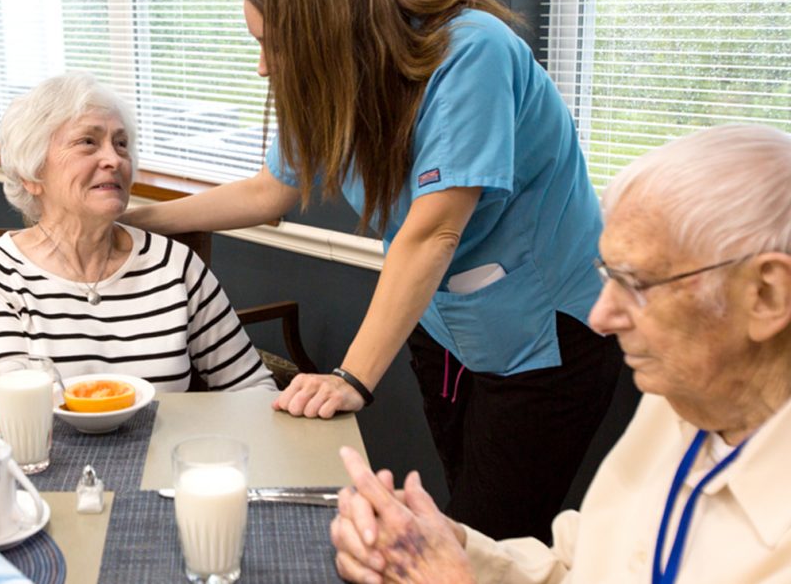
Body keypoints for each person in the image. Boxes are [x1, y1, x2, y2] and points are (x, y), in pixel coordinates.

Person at [121, 0, 623, 540]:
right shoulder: (336, 85)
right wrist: (129, 217)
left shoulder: (471, 55)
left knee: (496, 535)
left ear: (328, 34)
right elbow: (268, 191)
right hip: (443, 330)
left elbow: (433, 233)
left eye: (273, 45)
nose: (262, 67)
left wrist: (350, 377)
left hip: (544, 335)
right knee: (461, 519)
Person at [330, 124, 791, 583]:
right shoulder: (678, 404)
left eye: (636, 284)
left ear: (766, 295)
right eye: (608, 275)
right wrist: (455, 549)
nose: (600, 317)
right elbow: (578, 567)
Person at [0, 72, 275, 392]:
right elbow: (10, 406)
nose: (114, 159)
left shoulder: (175, 265)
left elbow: (251, 387)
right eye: (88, 142)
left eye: (121, 144)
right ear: (31, 173)